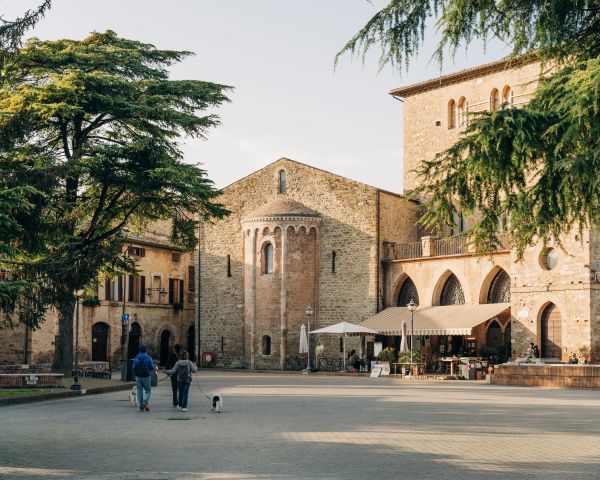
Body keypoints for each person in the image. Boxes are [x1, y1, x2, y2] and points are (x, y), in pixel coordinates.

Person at [132, 344, 156, 412]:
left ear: (139, 350)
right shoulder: (148, 358)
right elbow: (151, 368)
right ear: (145, 350)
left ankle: (141, 407)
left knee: (139, 392)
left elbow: (133, 368)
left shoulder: (136, 358)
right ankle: (145, 402)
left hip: (138, 377)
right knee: (148, 391)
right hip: (146, 376)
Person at [165, 344, 181, 408]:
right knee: (181, 389)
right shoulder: (183, 354)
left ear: (174, 349)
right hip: (181, 374)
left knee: (174, 389)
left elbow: (168, 364)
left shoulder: (172, 354)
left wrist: (168, 373)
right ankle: (180, 401)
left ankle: (175, 402)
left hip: (173, 374)